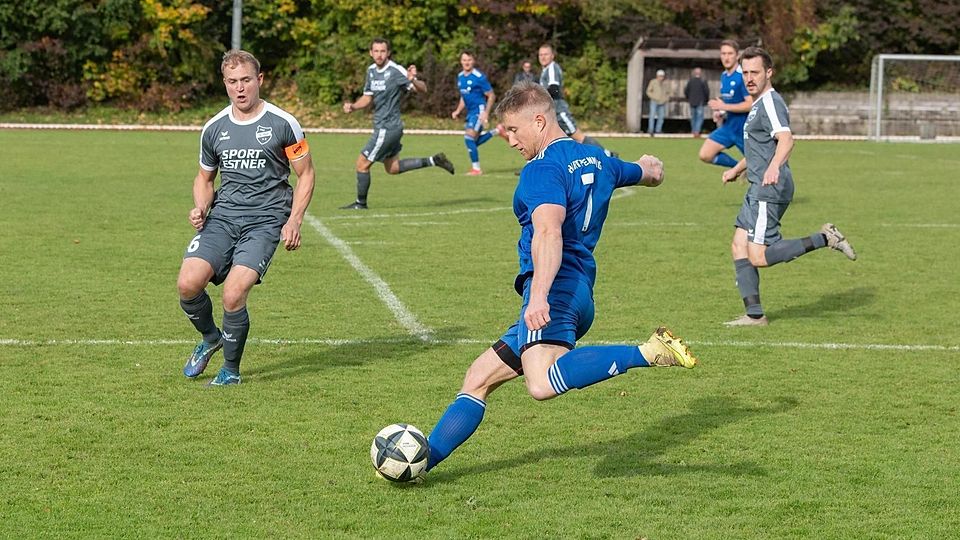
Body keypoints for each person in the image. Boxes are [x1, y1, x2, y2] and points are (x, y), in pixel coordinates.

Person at [423, 82, 697, 475]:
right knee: (478, 377)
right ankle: (423, 460)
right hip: (580, 290)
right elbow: (649, 173)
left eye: (514, 131)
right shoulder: (597, 158)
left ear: (539, 120)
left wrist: (539, 297)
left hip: (555, 292)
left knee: (541, 384)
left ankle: (648, 351)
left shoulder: (541, 170)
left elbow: (549, 232)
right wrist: (651, 167)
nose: (509, 140)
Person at [176, 49, 316, 386]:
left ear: (260, 80)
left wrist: (294, 219)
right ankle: (211, 338)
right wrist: (200, 206)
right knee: (187, 284)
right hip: (223, 217)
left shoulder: (283, 123)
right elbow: (204, 178)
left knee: (234, 293)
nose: (240, 88)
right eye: (232, 82)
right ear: (225, 83)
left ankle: (231, 371)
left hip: (265, 220)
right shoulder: (214, 128)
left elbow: (306, 174)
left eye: (246, 80)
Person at [720, 47, 857, 327]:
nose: (749, 78)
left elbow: (786, 139)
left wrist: (773, 167)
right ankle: (755, 315)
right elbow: (760, 146)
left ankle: (825, 238)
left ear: (769, 72)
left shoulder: (770, 102)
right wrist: (737, 169)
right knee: (738, 245)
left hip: (769, 187)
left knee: (757, 256)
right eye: (745, 72)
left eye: (755, 72)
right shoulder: (758, 104)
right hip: (757, 185)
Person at [341, 38, 455, 210]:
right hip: (386, 126)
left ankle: (360, 203)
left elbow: (422, 89)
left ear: (388, 53)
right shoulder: (371, 71)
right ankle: (434, 160)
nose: (379, 55)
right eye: (376, 51)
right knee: (393, 168)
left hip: (388, 127)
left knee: (362, 163)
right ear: (370, 53)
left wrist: (413, 79)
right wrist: (353, 106)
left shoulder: (395, 71)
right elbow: (367, 97)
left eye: (383, 51)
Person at [535, 44, 615, 156]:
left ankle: (608, 155)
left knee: (577, 136)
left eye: (546, 54)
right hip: (550, 111)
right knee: (547, 138)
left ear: (552, 56)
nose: (543, 57)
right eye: (540, 54)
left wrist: (537, 96)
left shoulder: (552, 68)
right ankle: (538, 166)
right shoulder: (545, 70)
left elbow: (554, 89)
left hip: (558, 110)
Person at [699, 40, 752, 168]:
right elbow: (730, 102)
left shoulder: (743, 76)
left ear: (737, 56)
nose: (726, 57)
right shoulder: (724, 76)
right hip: (729, 126)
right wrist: (720, 112)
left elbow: (750, 104)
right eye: (723, 54)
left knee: (762, 166)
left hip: (744, 129)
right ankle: (738, 169)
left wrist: (724, 107)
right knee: (705, 154)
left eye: (730, 53)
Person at [451, 51, 502, 176]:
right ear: (461, 62)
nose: (466, 62)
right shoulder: (460, 76)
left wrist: (485, 113)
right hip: (470, 112)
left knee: (469, 138)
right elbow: (464, 96)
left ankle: (476, 169)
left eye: (469, 60)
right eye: (464, 60)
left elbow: (491, 95)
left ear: (473, 61)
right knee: (473, 141)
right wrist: (458, 110)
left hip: (479, 111)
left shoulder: (479, 77)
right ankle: (496, 131)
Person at [684, 67, 710, 136]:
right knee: (699, 117)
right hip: (700, 102)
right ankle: (697, 131)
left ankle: (693, 130)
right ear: (700, 73)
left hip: (692, 101)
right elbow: (706, 92)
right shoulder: (703, 81)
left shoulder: (690, 81)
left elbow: (686, 91)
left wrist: (688, 98)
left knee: (693, 117)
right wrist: (706, 100)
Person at [645, 69, 669, 135]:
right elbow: (648, 91)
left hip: (662, 102)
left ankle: (658, 130)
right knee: (652, 116)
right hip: (654, 101)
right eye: (660, 76)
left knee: (661, 117)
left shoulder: (665, 83)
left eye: (662, 76)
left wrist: (666, 99)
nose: (661, 77)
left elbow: (668, 92)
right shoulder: (653, 82)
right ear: (657, 76)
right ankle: (651, 130)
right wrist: (654, 97)